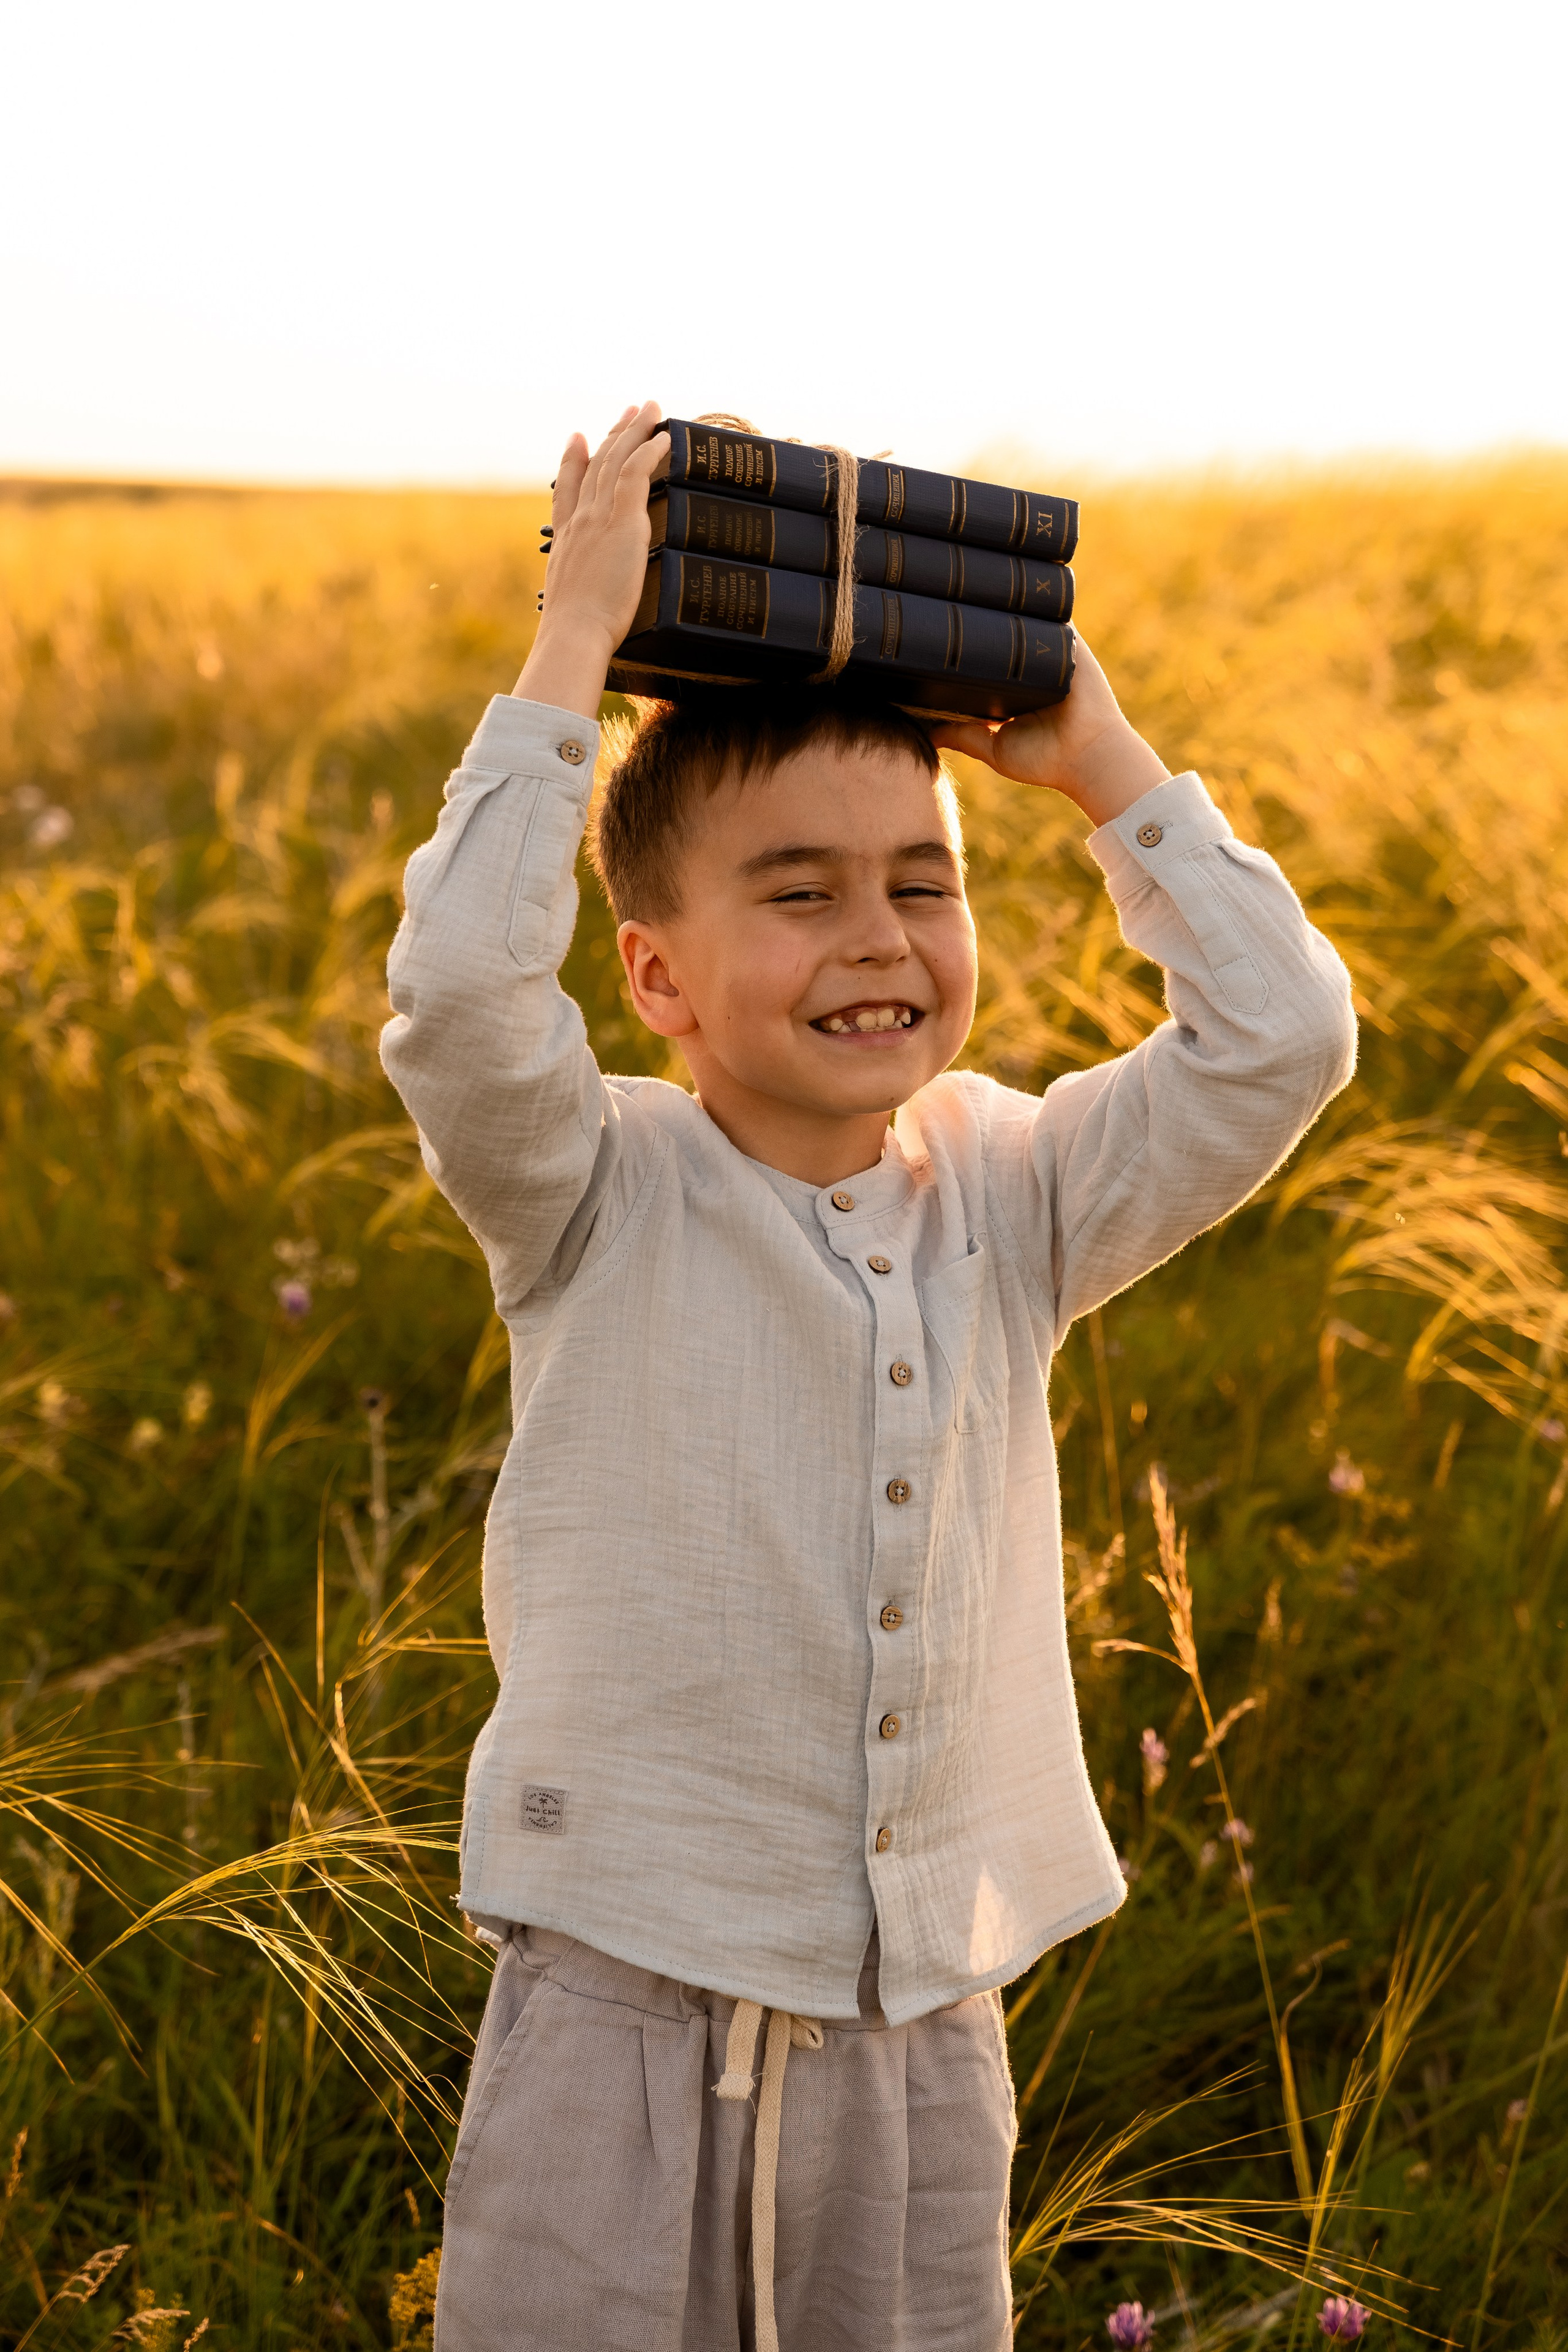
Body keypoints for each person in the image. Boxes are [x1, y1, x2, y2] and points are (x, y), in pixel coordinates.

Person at [380, 403, 1357, 2352]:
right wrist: (574, 644)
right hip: (626, 1995)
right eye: (801, 891)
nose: (881, 939)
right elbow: (469, 1001)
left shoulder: (1023, 1189)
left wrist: (1097, 761)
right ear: (652, 975)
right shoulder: (594, 1189)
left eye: (924, 881)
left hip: (921, 2014)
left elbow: (1283, 1040)